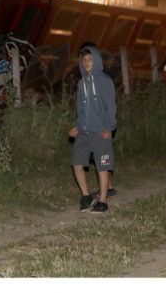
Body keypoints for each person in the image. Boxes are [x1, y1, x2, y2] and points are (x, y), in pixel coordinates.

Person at [68, 44, 116, 213]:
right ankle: (86, 196)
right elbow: (81, 108)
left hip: (101, 132)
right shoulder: (81, 84)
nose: (86, 62)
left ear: (96, 61)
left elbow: (111, 107)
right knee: (77, 164)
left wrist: (109, 127)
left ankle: (102, 201)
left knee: (102, 166)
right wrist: (77, 126)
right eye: (84, 59)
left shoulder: (105, 81)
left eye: (89, 59)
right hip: (85, 132)